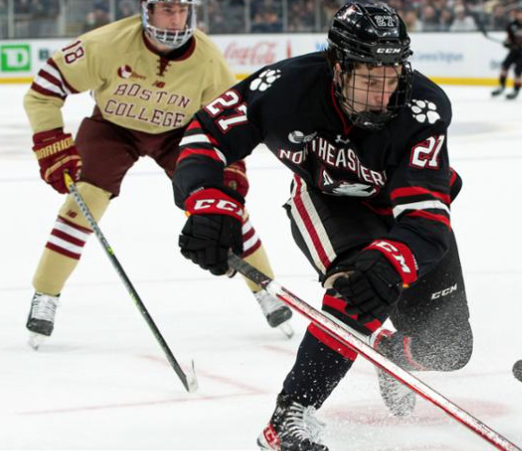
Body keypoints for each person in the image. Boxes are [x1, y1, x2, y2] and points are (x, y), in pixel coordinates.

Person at [172, 3, 473, 450]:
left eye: (391, 78)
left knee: (450, 350)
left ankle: (391, 352)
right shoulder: (284, 87)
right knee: (355, 291)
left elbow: (427, 217)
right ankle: (291, 414)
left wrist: (394, 261)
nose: (382, 94)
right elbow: (207, 133)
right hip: (328, 202)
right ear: (338, 66)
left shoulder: (424, 110)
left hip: (400, 213)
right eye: (370, 79)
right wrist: (210, 202)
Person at [23, 0, 292, 350]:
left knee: (224, 209)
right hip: (113, 128)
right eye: (166, 9)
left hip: (179, 136)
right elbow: (44, 89)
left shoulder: (208, 60)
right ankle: (46, 293)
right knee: (82, 202)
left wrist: (230, 171)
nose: (176, 19)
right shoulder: (107, 43)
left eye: (182, 10)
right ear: (146, 10)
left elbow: (229, 123)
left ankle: (264, 288)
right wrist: (51, 141)